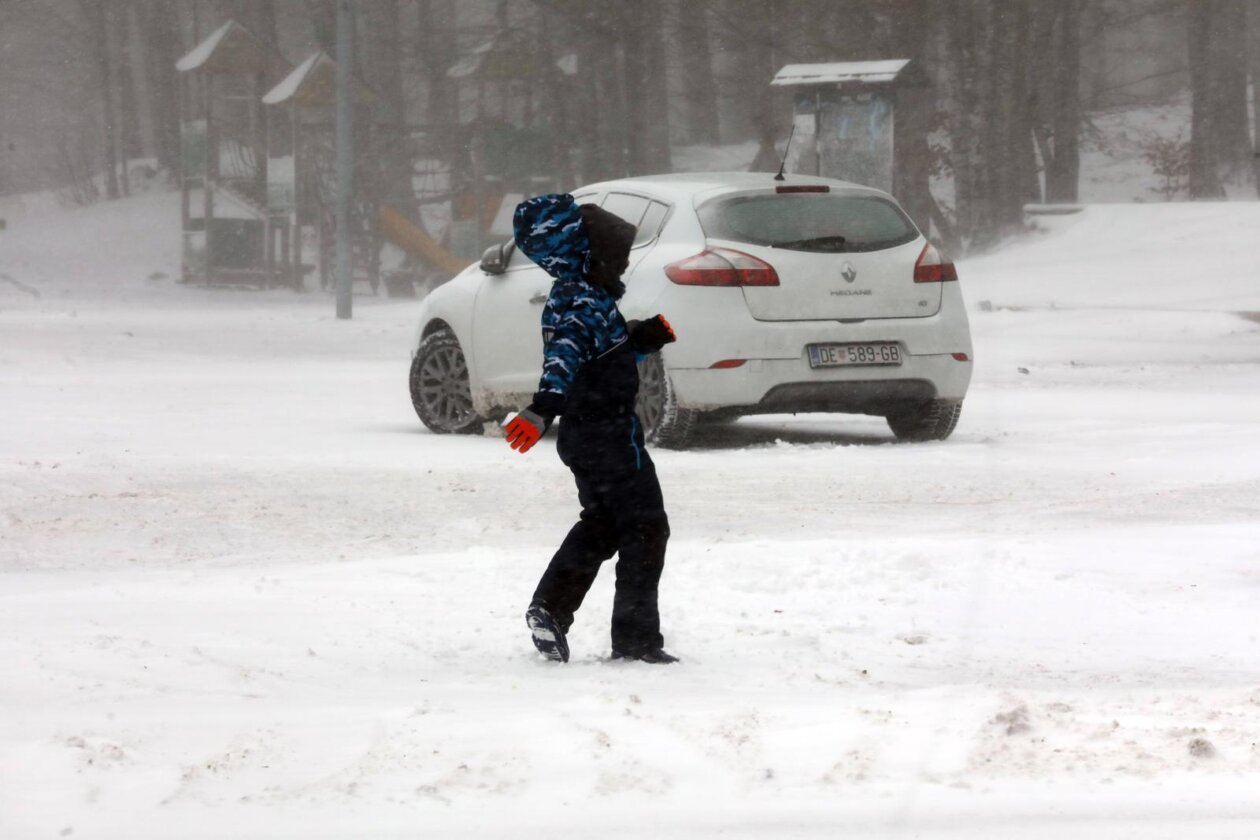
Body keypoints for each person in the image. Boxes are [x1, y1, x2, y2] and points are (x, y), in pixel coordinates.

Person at [504, 193, 679, 665]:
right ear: (586, 251)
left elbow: (600, 354)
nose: (623, 264)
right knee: (646, 528)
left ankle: (551, 609)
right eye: (618, 255)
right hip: (609, 436)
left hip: (587, 437)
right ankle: (637, 640)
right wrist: (542, 408)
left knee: (604, 523)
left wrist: (641, 339)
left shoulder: (580, 295)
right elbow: (564, 357)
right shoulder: (582, 300)